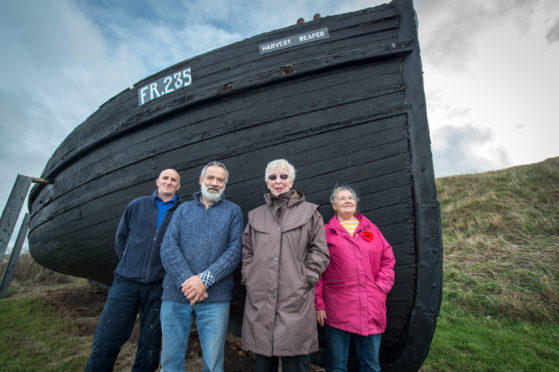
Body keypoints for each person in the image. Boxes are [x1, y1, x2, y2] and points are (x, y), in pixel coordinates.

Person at [85, 168, 182, 372]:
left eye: (173, 180)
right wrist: (130, 263)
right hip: (126, 283)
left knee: (150, 344)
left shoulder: (181, 211)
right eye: (165, 178)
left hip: (158, 286)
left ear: (178, 186)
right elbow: (121, 239)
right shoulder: (137, 205)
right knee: (107, 338)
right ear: (157, 181)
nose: (169, 182)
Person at [241, 159, 330, 372]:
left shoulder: (310, 213)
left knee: (296, 364)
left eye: (283, 176)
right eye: (273, 177)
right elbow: (247, 250)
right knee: (264, 364)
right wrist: (249, 276)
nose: (278, 181)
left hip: (295, 299)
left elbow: (320, 251)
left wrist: (307, 278)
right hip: (260, 300)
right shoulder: (255, 215)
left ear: (291, 181)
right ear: (267, 182)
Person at [159, 161, 243, 372]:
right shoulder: (183, 209)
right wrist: (188, 281)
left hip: (215, 297)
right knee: (170, 358)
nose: (214, 183)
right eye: (210, 178)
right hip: (176, 293)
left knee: (214, 362)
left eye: (220, 180)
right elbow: (168, 246)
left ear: (225, 184)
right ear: (201, 180)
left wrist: (204, 280)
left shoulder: (233, 211)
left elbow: (235, 252)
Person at [315, 185, 395, 372]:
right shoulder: (325, 232)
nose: (347, 201)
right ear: (334, 205)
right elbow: (317, 270)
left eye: (350, 197)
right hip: (338, 307)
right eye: (342, 198)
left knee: (370, 365)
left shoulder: (371, 229)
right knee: (337, 366)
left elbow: (388, 258)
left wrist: (381, 286)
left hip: (370, 305)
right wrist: (318, 302)